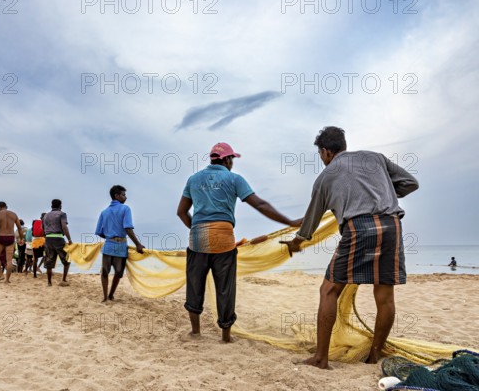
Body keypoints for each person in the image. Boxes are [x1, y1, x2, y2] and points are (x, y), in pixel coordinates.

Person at [281, 126, 419, 369]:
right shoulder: (374, 158)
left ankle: (321, 358)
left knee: (329, 290)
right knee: (384, 296)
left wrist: (296, 242)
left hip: (359, 228)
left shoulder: (325, 178)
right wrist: (383, 192)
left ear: (325, 152)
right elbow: (411, 183)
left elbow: (310, 222)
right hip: (391, 226)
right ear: (343, 145)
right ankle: (375, 355)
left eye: (320, 155)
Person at [177, 143, 302, 342]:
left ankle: (195, 331)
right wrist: (290, 221)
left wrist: (198, 229)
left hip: (197, 239)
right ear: (226, 160)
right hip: (224, 239)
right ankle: (226, 336)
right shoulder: (234, 179)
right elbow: (259, 204)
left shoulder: (193, 180)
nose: (232, 163)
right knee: (225, 287)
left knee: (194, 284)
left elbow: (181, 212)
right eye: (232, 159)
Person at [96, 185, 145, 302]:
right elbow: (128, 228)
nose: (125, 197)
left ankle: (104, 297)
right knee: (118, 273)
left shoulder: (104, 212)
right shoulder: (125, 209)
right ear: (116, 196)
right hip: (121, 246)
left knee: (105, 272)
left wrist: (109, 237)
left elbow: (98, 232)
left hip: (108, 246)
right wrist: (138, 244)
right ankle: (111, 295)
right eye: (123, 195)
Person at [0, 202, 23, 283]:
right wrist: (21, 238)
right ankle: (7, 280)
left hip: (1, 237)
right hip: (11, 237)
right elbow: (19, 228)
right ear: (6, 206)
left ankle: (1, 275)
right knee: (9, 260)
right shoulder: (14, 214)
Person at [43, 199, 73, 287]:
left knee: (49, 262)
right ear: (60, 206)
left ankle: (49, 282)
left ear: (51, 206)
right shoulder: (62, 214)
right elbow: (64, 226)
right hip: (58, 238)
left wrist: (47, 238)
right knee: (66, 260)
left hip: (48, 239)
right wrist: (69, 239)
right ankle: (63, 280)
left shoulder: (45, 216)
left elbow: (43, 229)